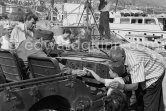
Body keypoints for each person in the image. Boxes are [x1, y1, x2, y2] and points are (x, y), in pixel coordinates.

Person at [107, 44, 165, 111]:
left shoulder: (135, 62)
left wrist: (121, 86)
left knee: (149, 99)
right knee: (149, 99)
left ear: (123, 57)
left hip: (155, 72)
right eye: (112, 61)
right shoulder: (121, 48)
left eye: (115, 61)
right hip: (152, 61)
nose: (113, 64)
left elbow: (135, 86)